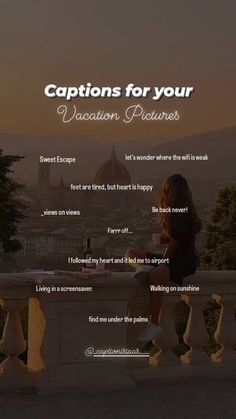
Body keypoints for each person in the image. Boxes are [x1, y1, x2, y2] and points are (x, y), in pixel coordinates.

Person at [127, 174, 201, 344]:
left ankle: (154, 322)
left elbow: (174, 248)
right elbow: (179, 239)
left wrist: (160, 264)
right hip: (174, 257)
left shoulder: (181, 215)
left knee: (157, 274)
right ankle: (143, 269)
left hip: (184, 261)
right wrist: (164, 240)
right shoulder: (176, 214)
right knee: (132, 254)